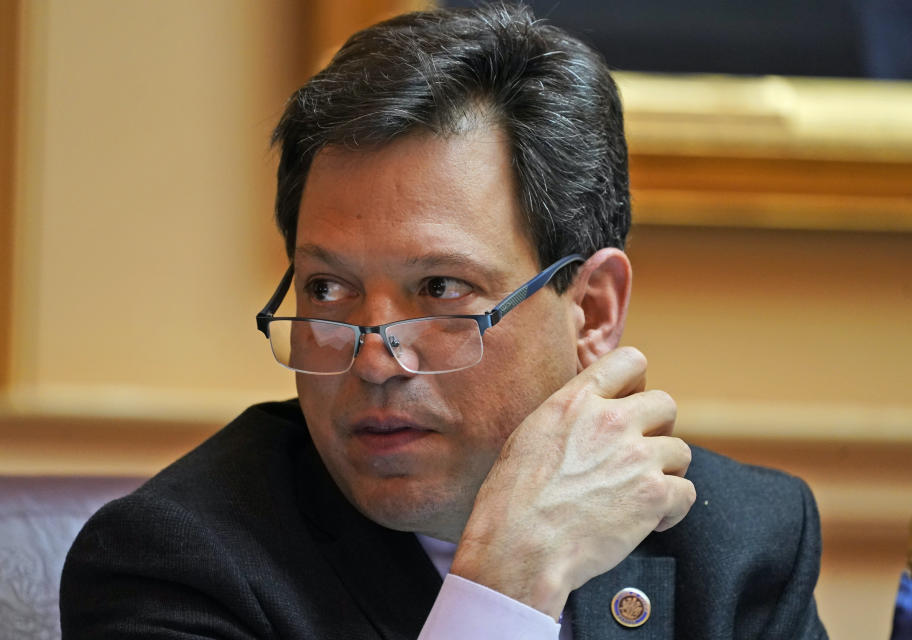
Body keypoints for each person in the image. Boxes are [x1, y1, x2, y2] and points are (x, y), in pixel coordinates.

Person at [60, 4, 827, 638]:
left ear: (591, 310)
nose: (374, 360)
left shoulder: (732, 542)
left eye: (439, 288)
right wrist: (506, 584)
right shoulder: (179, 566)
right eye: (328, 290)